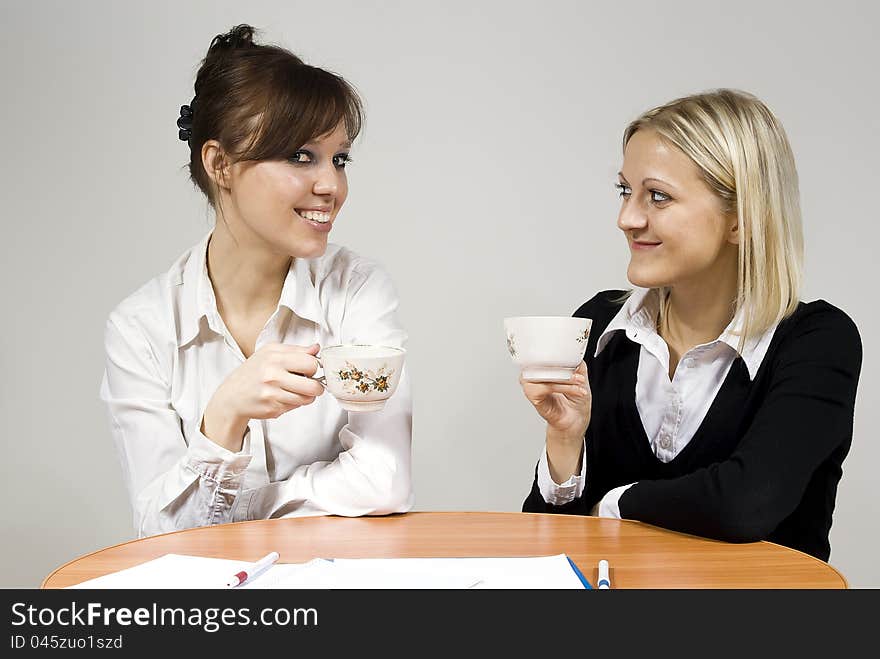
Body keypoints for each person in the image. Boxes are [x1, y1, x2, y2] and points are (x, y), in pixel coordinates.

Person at [520, 89, 861, 561]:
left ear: (741, 219)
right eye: (625, 191)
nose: (626, 218)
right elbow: (545, 546)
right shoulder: (599, 325)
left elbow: (747, 502)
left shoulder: (817, 342)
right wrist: (565, 441)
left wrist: (614, 503)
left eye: (657, 197)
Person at [100, 25, 413, 538]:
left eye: (339, 159)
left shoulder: (357, 289)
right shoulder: (142, 328)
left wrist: (238, 507)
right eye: (299, 156)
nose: (330, 185)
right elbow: (157, 533)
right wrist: (224, 414)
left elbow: (384, 481)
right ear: (220, 163)